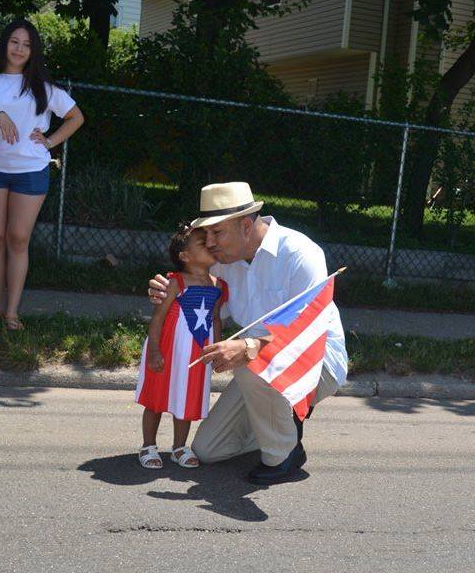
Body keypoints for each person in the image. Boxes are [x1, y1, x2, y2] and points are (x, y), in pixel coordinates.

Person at [149, 182, 348, 483]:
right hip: (258, 373)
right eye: (206, 235)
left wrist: (250, 347)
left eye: (217, 232)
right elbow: (197, 302)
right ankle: (284, 419)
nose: (210, 242)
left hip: (315, 362)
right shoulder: (224, 264)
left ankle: (283, 455)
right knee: (208, 449)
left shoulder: (300, 253)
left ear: (245, 225)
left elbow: (305, 332)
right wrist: (165, 292)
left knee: (247, 358)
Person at [0, 19, 84, 330]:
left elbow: (76, 117)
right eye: (14, 42)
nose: (19, 49)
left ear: (34, 51)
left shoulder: (43, 88)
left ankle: (12, 313)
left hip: (31, 171)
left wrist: (49, 142)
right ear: (4, 43)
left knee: (18, 239)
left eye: (27, 44)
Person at [137, 223, 228, 470]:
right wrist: (155, 350)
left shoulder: (218, 285)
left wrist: (217, 349)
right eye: (202, 243)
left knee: (186, 399)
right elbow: (158, 318)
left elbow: (216, 318)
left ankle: (179, 447)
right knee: (156, 397)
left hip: (197, 351)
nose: (210, 245)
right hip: (169, 348)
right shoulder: (176, 282)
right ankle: (148, 445)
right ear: (185, 256)